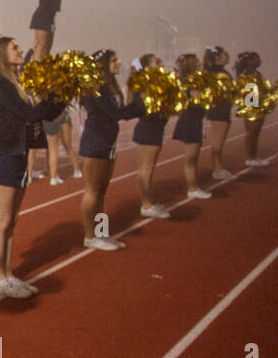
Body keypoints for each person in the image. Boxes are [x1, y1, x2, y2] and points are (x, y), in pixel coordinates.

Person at [0, 37, 65, 297]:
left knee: (11, 221)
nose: (20, 50)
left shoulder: (16, 83)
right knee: (0, 220)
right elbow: (29, 114)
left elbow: (46, 114)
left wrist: (62, 91)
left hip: (17, 155)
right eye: (14, 47)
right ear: (2, 55)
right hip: (2, 156)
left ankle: (7, 274)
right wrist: (52, 94)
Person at [79, 50, 146, 250]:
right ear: (103, 64)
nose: (119, 62)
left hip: (107, 141)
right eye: (114, 60)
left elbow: (118, 112)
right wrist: (140, 103)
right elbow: (116, 113)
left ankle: (101, 232)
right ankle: (90, 236)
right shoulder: (97, 86)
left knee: (101, 192)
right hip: (96, 141)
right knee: (93, 191)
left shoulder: (109, 86)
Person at [130, 54, 172, 219]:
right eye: (157, 62)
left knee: (147, 168)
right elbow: (148, 108)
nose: (161, 64)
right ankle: (146, 204)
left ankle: (147, 202)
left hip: (153, 128)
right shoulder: (145, 85)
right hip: (149, 129)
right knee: (146, 168)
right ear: (147, 68)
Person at [171, 53, 212, 198]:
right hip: (190, 121)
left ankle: (193, 188)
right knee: (191, 158)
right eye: (198, 62)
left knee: (193, 158)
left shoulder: (191, 81)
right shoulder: (191, 83)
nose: (201, 64)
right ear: (191, 65)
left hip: (194, 121)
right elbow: (198, 103)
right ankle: (193, 189)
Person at [202, 46, 234, 179]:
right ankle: (217, 169)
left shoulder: (214, 71)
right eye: (225, 55)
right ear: (217, 57)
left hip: (220, 108)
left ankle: (218, 167)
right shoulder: (217, 73)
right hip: (219, 109)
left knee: (218, 140)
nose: (228, 57)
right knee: (218, 141)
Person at [235, 51, 270, 168]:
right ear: (250, 61)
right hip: (252, 106)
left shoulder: (255, 72)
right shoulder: (248, 74)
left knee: (254, 133)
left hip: (256, 105)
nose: (260, 60)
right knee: (252, 133)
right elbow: (249, 92)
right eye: (257, 58)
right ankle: (251, 158)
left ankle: (253, 156)